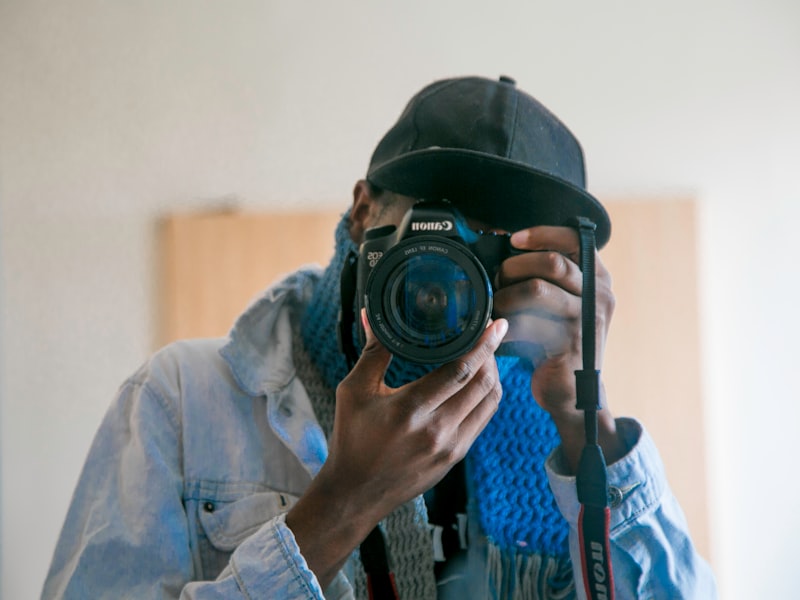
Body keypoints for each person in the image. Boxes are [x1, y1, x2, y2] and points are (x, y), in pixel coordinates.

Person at [42, 75, 717, 599]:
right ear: (364, 210)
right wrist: (344, 502)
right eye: (439, 224)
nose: (450, 277)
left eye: (491, 251)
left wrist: (584, 424)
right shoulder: (182, 400)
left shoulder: (561, 432)